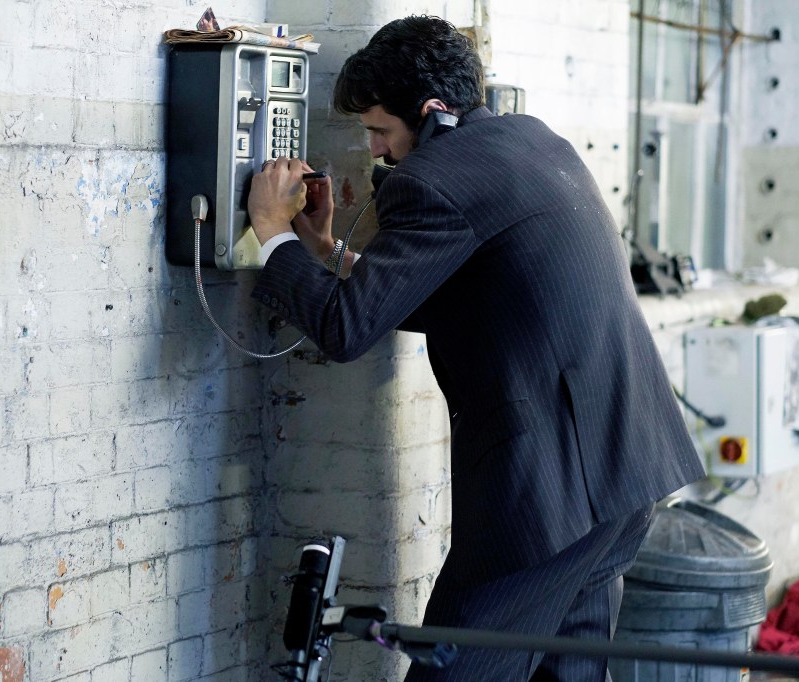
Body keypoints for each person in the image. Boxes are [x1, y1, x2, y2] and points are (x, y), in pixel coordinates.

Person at [248, 15, 705, 681]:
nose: (376, 150)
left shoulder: (429, 180)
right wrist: (325, 251)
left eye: (381, 130)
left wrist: (272, 232)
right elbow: (456, 292)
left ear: (432, 112)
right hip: (624, 472)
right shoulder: (533, 140)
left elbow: (346, 330)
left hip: (550, 497)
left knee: (454, 671)